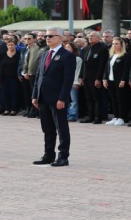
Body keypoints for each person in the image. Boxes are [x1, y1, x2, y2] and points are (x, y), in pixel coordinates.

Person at [31, 26, 76, 167]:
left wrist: (62, 98)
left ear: (61, 38)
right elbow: (39, 76)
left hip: (58, 99)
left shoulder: (67, 56)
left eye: (51, 36)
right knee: (47, 128)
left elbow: (67, 80)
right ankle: (48, 154)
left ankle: (63, 156)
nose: (48, 38)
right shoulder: (45, 54)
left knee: (61, 128)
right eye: (46, 36)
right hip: (43, 97)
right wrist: (35, 95)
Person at [80, 31, 108, 124]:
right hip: (87, 77)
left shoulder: (102, 48)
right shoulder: (88, 47)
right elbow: (84, 64)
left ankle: (98, 117)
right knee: (88, 98)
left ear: (99, 38)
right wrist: (81, 76)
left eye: (92, 36)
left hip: (95, 77)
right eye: (89, 36)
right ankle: (90, 116)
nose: (90, 37)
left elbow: (102, 65)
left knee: (97, 98)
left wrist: (98, 78)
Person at [103, 37, 131, 126]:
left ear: (121, 45)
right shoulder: (111, 56)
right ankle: (116, 117)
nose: (114, 46)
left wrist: (123, 80)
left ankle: (122, 118)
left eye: (116, 44)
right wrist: (104, 79)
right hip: (111, 80)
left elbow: (126, 70)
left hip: (119, 81)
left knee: (121, 100)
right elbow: (107, 68)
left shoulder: (125, 56)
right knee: (113, 100)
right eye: (113, 44)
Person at [0, 38, 21, 116]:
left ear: (15, 45)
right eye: (9, 45)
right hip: (3, 77)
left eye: (12, 45)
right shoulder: (2, 54)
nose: (10, 46)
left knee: (14, 93)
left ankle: (13, 109)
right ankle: (6, 109)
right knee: (4, 93)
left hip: (15, 78)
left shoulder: (19, 54)